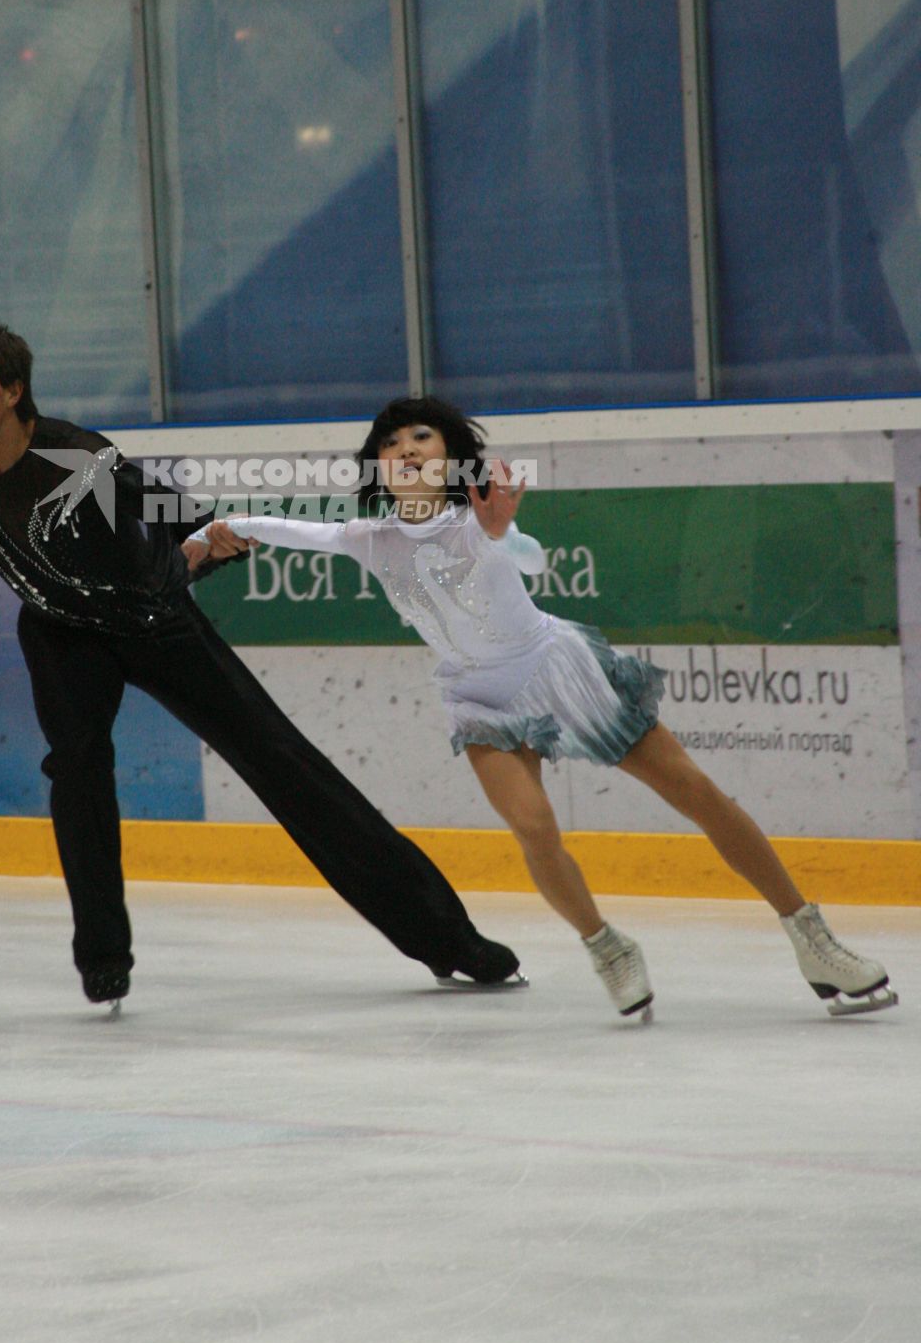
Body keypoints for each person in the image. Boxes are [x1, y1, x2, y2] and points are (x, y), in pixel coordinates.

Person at [0, 328, 522, 1010]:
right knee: (77, 770)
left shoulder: (79, 459)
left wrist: (204, 548)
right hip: (59, 630)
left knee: (283, 762)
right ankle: (103, 961)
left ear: (12, 390)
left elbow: (158, 549)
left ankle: (448, 940)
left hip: (153, 619)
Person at [188, 395, 898, 1022]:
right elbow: (276, 524)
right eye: (392, 442)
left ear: (452, 459)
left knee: (695, 792)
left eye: (422, 439)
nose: (405, 449)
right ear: (378, 467)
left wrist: (496, 531)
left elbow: (521, 557)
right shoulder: (368, 539)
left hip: (560, 672)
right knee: (533, 825)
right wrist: (207, 539)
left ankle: (812, 939)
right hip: (477, 695)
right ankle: (607, 946)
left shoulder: (478, 523)